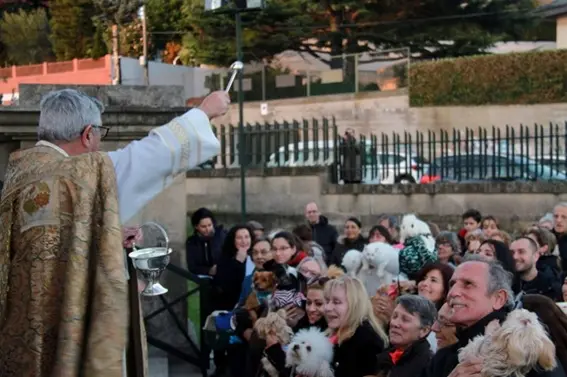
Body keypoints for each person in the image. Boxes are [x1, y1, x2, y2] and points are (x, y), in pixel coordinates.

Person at [0, 88, 229, 377]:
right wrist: (204, 112)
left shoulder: (20, 173)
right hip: (77, 330)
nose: (99, 144)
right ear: (87, 134)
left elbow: (49, 245)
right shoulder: (86, 172)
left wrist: (106, 234)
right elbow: (151, 155)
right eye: (100, 134)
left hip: (24, 327)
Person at [422, 255, 565, 377]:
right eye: (452, 284)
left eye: (468, 284)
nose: (453, 292)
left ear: (498, 298)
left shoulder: (527, 350)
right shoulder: (442, 358)